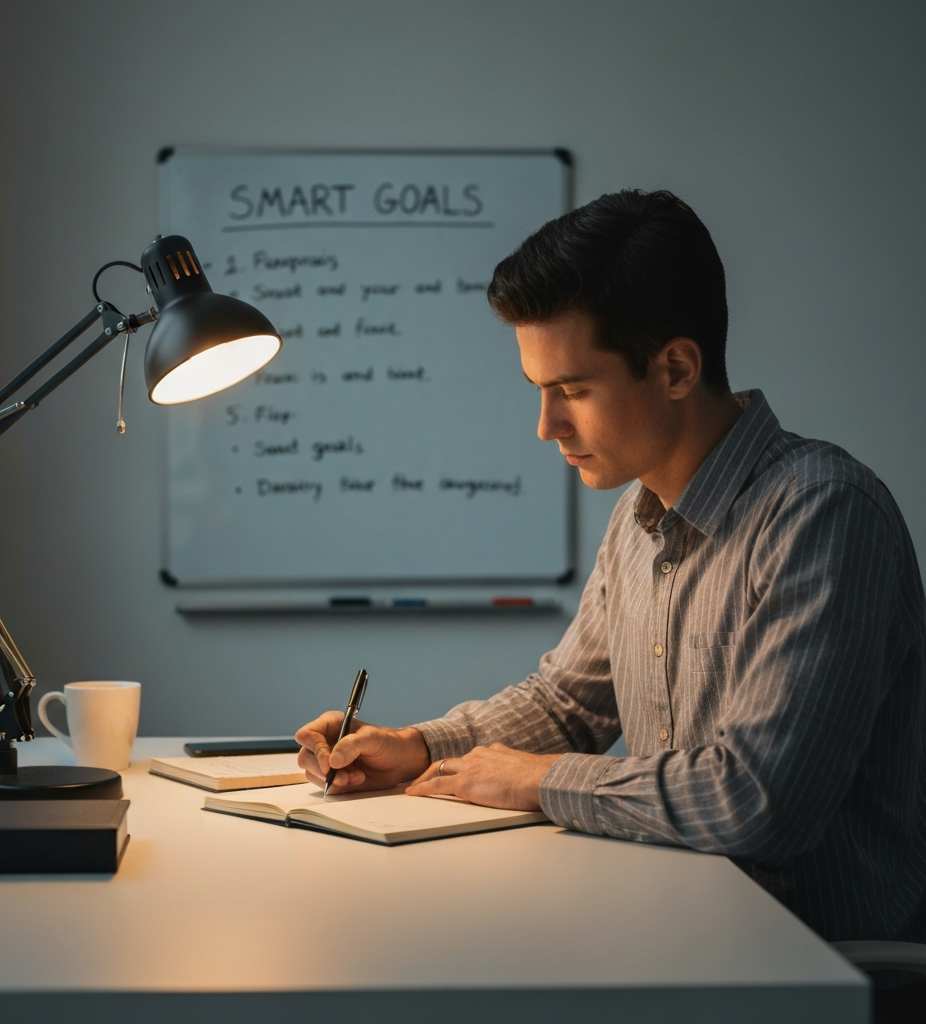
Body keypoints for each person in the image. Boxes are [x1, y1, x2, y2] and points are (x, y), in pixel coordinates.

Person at [296, 189, 926, 946]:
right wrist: (422, 746)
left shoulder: (825, 513)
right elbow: (569, 703)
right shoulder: (640, 514)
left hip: (828, 970)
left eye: (572, 391)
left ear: (677, 369)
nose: (546, 426)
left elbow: (760, 801)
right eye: (540, 392)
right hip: (689, 935)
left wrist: (538, 779)